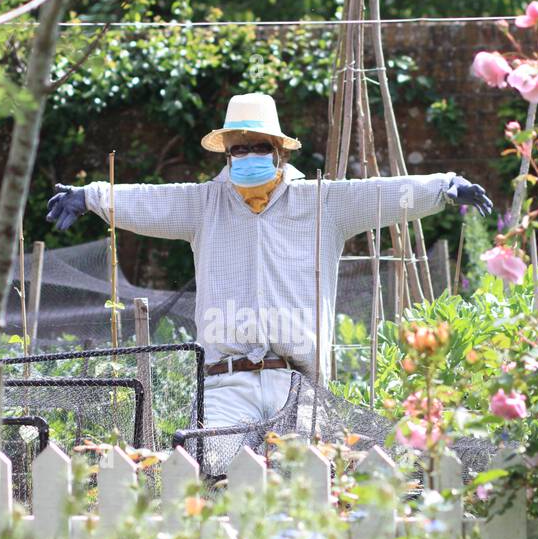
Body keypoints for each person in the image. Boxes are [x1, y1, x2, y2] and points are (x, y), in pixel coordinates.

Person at [46, 92, 492, 432]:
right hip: (224, 384)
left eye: (257, 146)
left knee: (303, 484)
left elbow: (380, 193)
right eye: (238, 149)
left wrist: (442, 187)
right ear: (226, 155)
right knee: (217, 473)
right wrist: (92, 197)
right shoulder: (205, 205)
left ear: (279, 151)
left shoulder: (322, 203)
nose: (247, 156)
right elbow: (150, 201)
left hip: (298, 384)